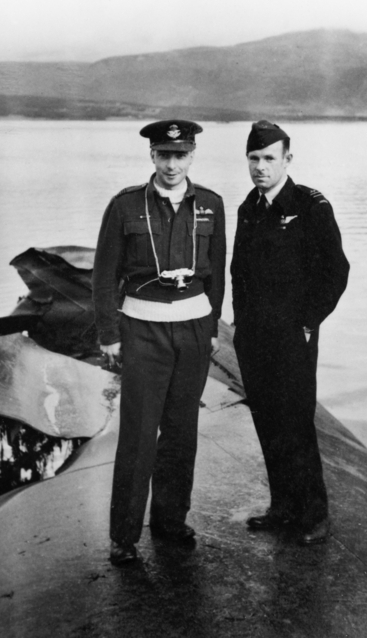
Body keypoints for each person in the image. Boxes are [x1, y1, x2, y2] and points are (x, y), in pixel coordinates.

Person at [92, 120, 226, 564]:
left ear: (192, 156)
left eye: (181, 155)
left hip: (192, 327)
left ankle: (170, 520)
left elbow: (217, 273)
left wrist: (210, 329)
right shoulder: (125, 205)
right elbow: (104, 274)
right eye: (164, 155)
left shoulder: (210, 204)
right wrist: (109, 334)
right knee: (138, 432)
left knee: (181, 430)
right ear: (152, 156)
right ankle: (124, 535)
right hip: (143, 329)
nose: (172, 164)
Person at [231, 120, 350, 545]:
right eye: (254, 159)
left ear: (287, 160)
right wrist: (239, 325)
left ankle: (314, 514)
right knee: (266, 420)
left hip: (293, 337)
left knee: (296, 422)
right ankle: (282, 506)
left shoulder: (311, 206)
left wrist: (307, 322)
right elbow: (238, 274)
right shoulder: (249, 206)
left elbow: (336, 272)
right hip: (254, 339)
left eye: (268, 159)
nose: (260, 167)